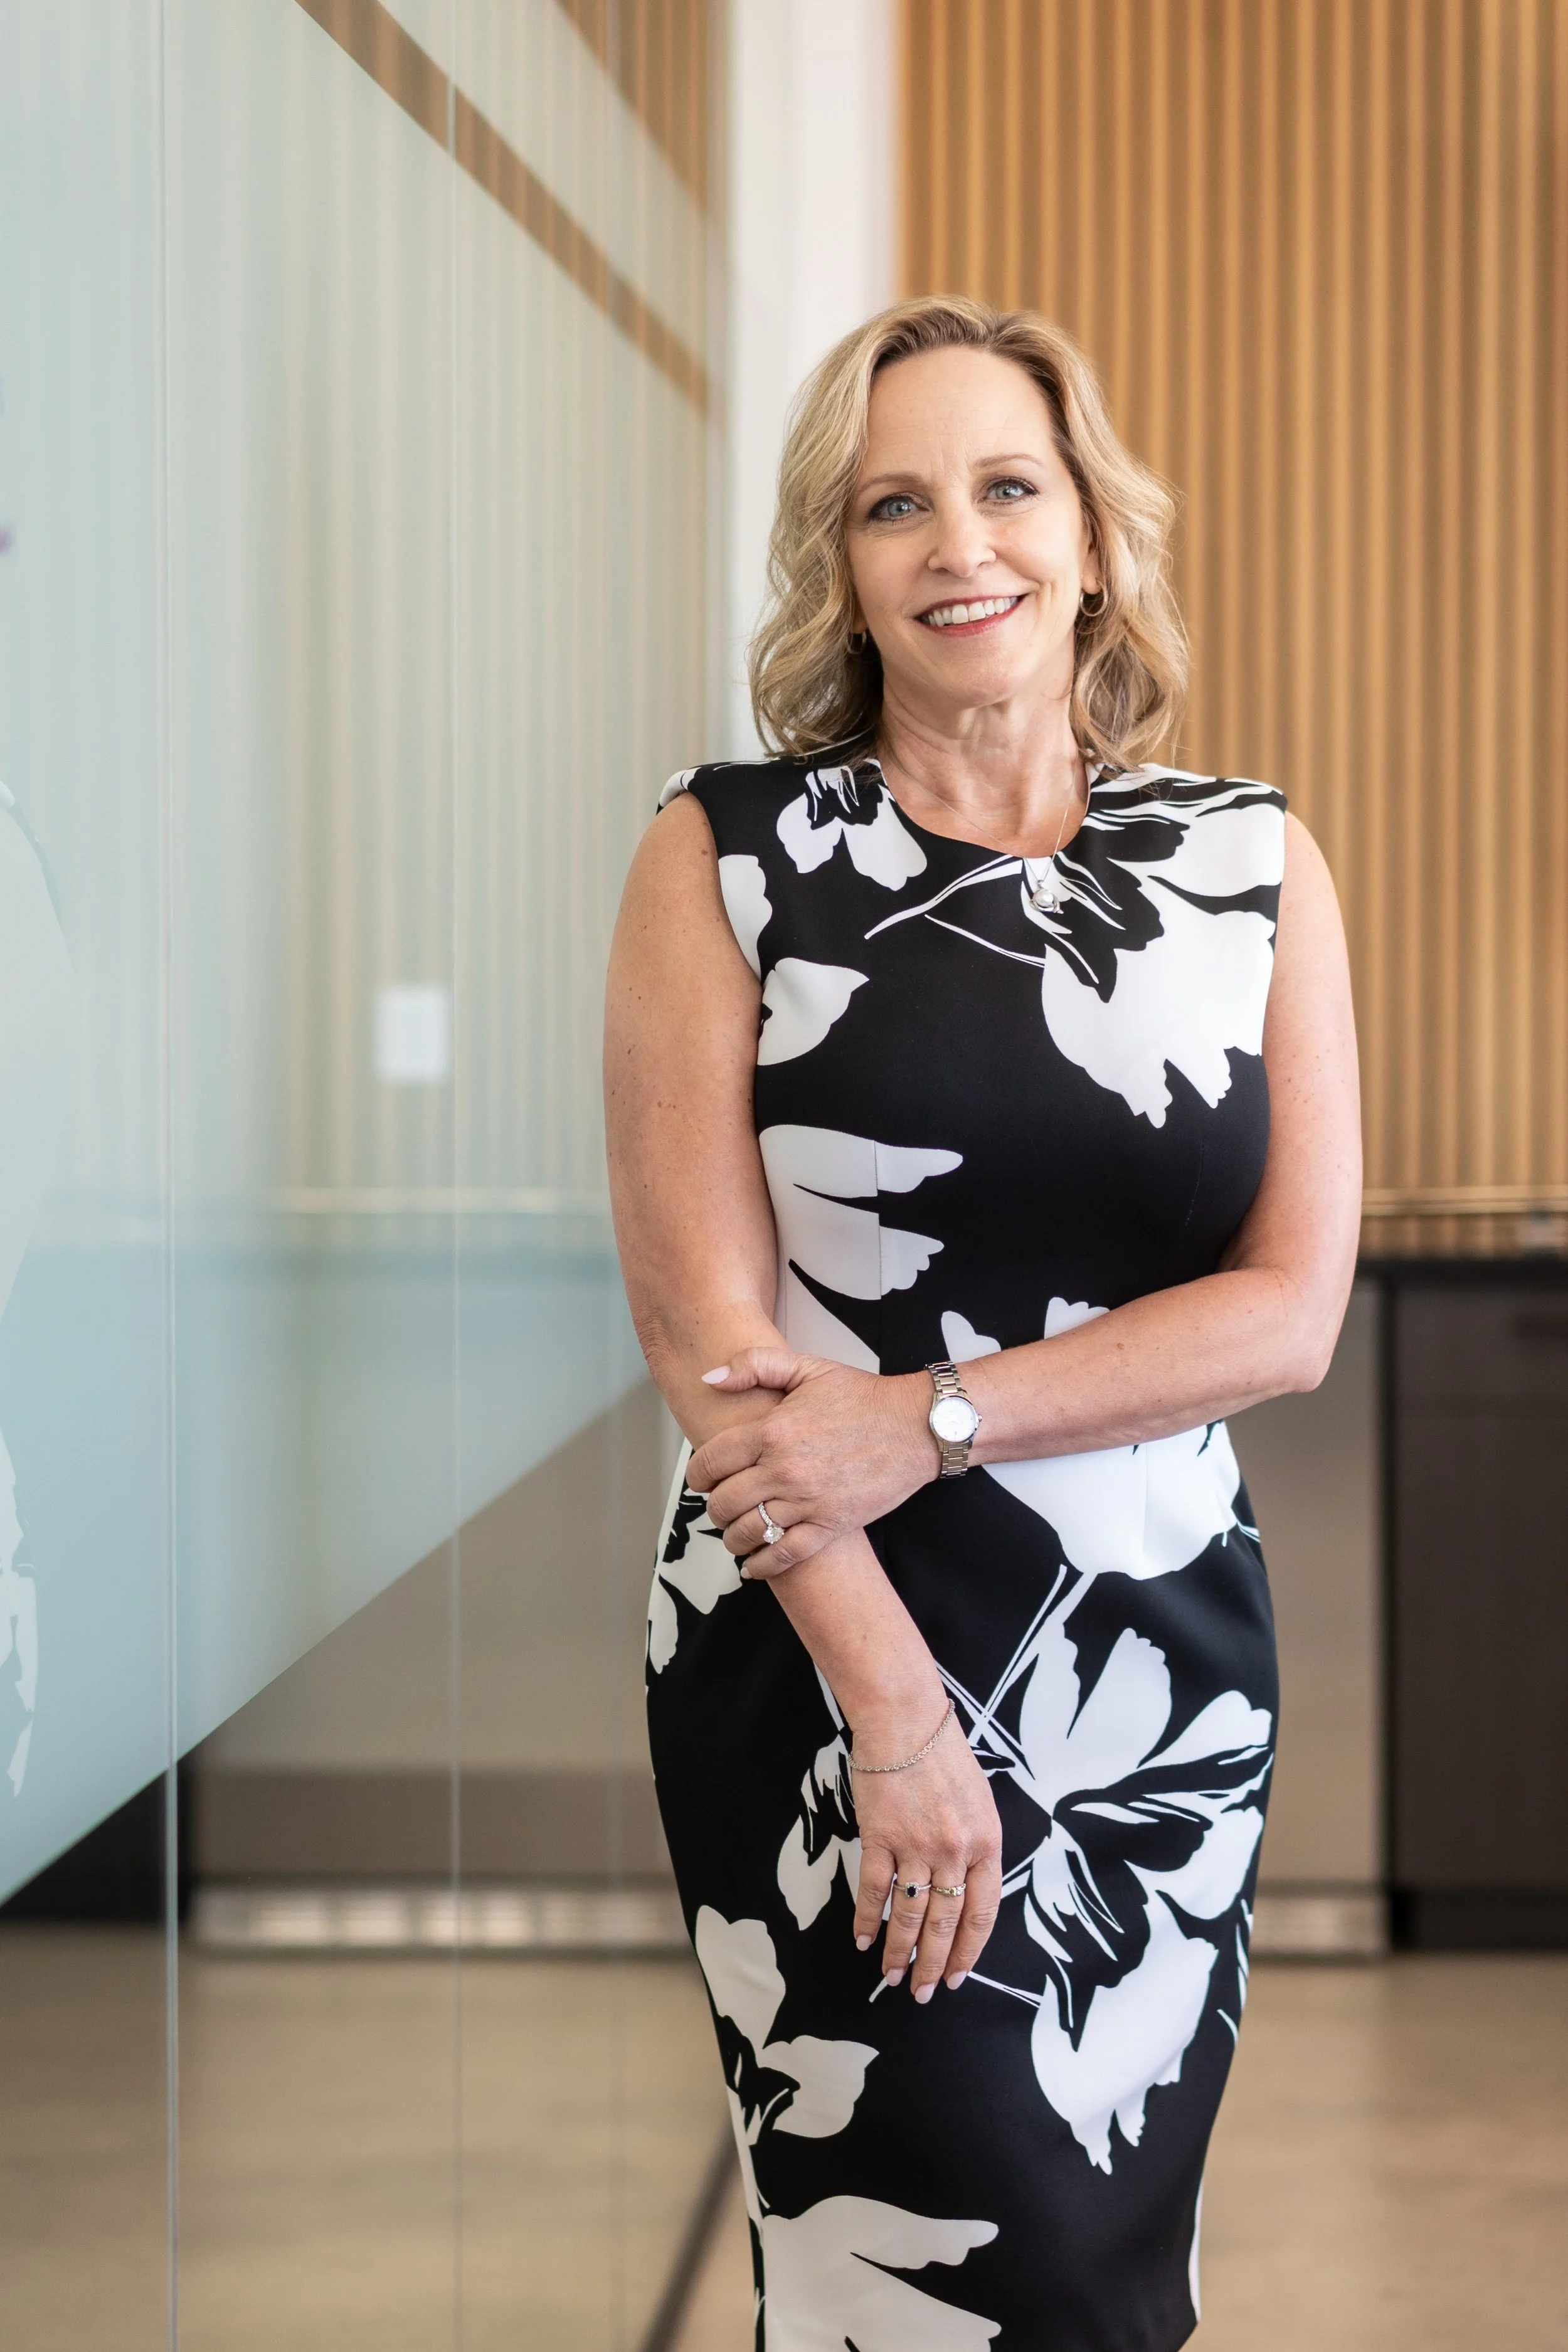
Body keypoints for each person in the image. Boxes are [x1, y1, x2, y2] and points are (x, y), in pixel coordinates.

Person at [605, 295, 1360, 2351]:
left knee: (1109, 2264)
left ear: (1092, 535)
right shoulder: (729, 859)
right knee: (894, 2273)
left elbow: (1289, 1309)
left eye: (1007, 487)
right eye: (893, 504)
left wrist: (924, 1414)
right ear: (838, 567)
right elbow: (708, 1338)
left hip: (1150, 1668)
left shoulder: (1245, 862)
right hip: (822, 1645)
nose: (962, 544)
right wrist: (903, 1711)